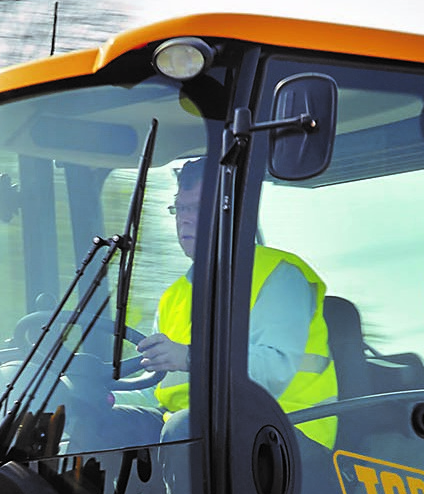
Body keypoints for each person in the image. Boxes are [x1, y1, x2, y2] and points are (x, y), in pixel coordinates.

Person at [130, 158, 337, 444]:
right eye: (180, 208)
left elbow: (274, 371)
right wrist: (102, 392)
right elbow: (155, 385)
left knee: (186, 429)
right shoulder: (173, 296)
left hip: (286, 432)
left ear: (231, 211)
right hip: (198, 428)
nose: (184, 219)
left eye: (196, 208)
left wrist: (191, 357)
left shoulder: (279, 276)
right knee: (110, 424)